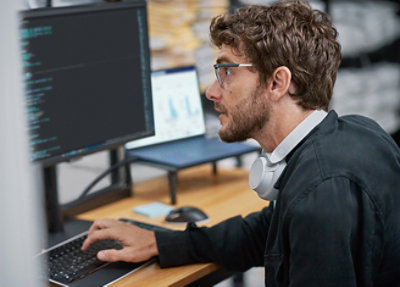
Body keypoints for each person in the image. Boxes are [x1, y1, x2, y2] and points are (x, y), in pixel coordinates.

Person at [81, 1, 400, 286]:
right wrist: (159, 242)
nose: (212, 92)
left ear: (277, 82)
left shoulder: (317, 194)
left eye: (226, 72)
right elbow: (263, 232)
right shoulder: (360, 132)